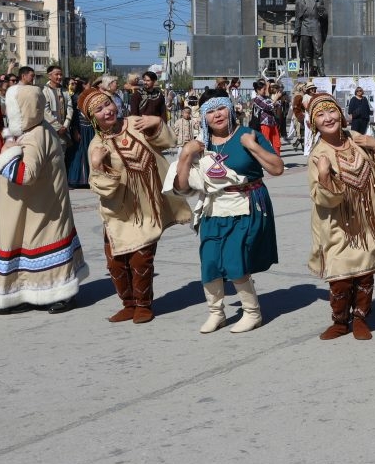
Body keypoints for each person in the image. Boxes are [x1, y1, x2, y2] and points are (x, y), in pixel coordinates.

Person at [171, 90, 283, 334]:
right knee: (209, 260)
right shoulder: (200, 143)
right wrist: (186, 155)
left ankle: (252, 312)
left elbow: (277, 168)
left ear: (230, 109)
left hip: (245, 202)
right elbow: (181, 187)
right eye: (209, 112)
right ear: (203, 117)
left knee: (235, 258)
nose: (217, 115)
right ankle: (216, 313)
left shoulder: (246, 134)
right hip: (212, 206)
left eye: (220, 108)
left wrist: (252, 146)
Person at [81, 87, 191, 324]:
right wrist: (98, 165)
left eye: (108, 104)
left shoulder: (134, 122)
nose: (107, 111)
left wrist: (156, 124)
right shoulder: (96, 146)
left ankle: (143, 304)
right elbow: (103, 188)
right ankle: (128, 304)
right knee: (116, 261)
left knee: (141, 258)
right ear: (92, 119)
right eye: (99, 110)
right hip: (118, 211)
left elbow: (168, 141)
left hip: (148, 207)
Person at [0, 85, 89, 314]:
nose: (9, 114)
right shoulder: (33, 130)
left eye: (14, 109)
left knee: (46, 242)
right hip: (32, 206)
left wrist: (6, 153)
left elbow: (26, 174)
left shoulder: (36, 134)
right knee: (28, 245)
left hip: (43, 207)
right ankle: (27, 292)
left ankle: (63, 293)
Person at [307, 93, 375, 341]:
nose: (328, 118)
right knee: (340, 273)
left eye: (332, 112)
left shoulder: (356, 140)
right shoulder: (319, 154)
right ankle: (340, 321)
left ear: (341, 114)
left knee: (364, 270)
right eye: (320, 115)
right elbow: (321, 198)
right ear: (313, 123)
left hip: (368, 218)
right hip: (338, 223)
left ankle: (360, 317)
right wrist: (325, 176)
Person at [293, 0, 329, 76]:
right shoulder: (299, 1)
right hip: (304, 28)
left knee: (318, 50)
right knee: (307, 52)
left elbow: (324, 16)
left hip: (316, 27)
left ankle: (321, 71)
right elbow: (297, 18)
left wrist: (322, 13)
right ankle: (308, 71)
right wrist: (296, 32)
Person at [67, 78, 95, 189]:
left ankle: (89, 179)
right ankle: (77, 179)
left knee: (90, 151)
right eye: (89, 84)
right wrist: (75, 130)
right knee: (80, 152)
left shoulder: (90, 97)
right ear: (84, 85)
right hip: (80, 128)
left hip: (90, 128)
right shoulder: (75, 98)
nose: (91, 87)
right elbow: (74, 117)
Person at [249, 79, 281, 154]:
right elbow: (267, 107)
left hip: (272, 123)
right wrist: (275, 100)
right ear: (258, 90)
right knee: (264, 143)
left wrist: (275, 101)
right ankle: (264, 161)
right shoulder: (256, 100)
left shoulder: (266, 98)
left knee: (277, 143)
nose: (265, 90)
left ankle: (277, 160)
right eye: (264, 89)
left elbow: (278, 105)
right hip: (264, 124)